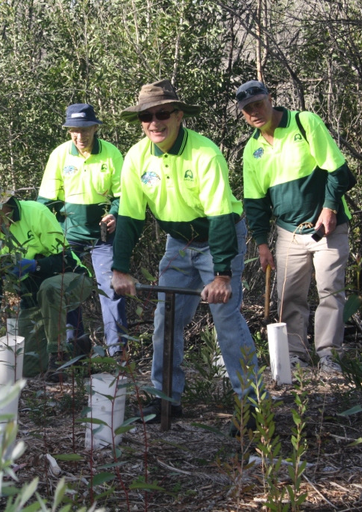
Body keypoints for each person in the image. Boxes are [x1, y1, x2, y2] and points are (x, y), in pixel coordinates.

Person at [111, 80, 261, 423]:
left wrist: (222, 273)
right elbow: (130, 217)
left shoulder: (204, 153)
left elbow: (221, 216)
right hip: (179, 243)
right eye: (146, 117)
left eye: (162, 113)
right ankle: (166, 399)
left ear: (179, 115)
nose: (154, 123)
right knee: (167, 318)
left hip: (217, 238)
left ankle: (253, 406)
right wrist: (120, 268)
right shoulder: (136, 158)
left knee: (225, 317)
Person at [237, 80, 355, 375]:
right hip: (288, 231)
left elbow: (338, 171)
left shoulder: (305, 123)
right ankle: (294, 357)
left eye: (258, 104)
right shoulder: (252, 149)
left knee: (329, 290)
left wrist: (329, 209)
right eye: (248, 109)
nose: (255, 112)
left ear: (270, 99)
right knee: (288, 295)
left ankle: (329, 356)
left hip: (327, 225)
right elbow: (255, 203)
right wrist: (262, 244)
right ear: (242, 114)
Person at [0, 178, 93, 378]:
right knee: (26, 369)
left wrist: (36, 265)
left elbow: (65, 260)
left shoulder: (36, 213)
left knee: (49, 288)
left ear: (0, 203)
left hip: (72, 280)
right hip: (33, 300)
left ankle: (58, 356)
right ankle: (76, 349)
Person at [37, 103, 127, 358]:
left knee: (110, 288)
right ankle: (75, 347)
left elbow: (122, 195)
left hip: (102, 236)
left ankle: (116, 351)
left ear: (95, 128)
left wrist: (116, 213)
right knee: (66, 285)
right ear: (68, 131)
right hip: (70, 234)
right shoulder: (59, 155)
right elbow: (46, 201)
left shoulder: (111, 154)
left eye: (85, 129)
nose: (80, 136)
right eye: (74, 130)